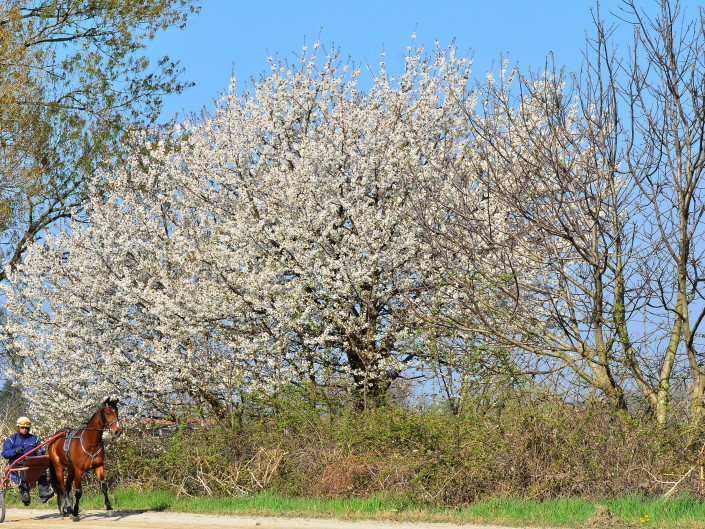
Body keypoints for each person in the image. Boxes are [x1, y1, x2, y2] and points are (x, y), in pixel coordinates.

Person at [2, 417, 54, 505]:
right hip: (17, 464)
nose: (25, 430)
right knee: (22, 472)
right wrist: (15, 451)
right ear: (18, 427)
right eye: (22, 428)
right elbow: (4, 453)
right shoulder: (12, 439)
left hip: (32, 464)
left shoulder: (34, 439)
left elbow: (40, 450)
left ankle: (44, 494)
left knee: (42, 470)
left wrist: (41, 452)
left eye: (26, 428)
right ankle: (25, 494)